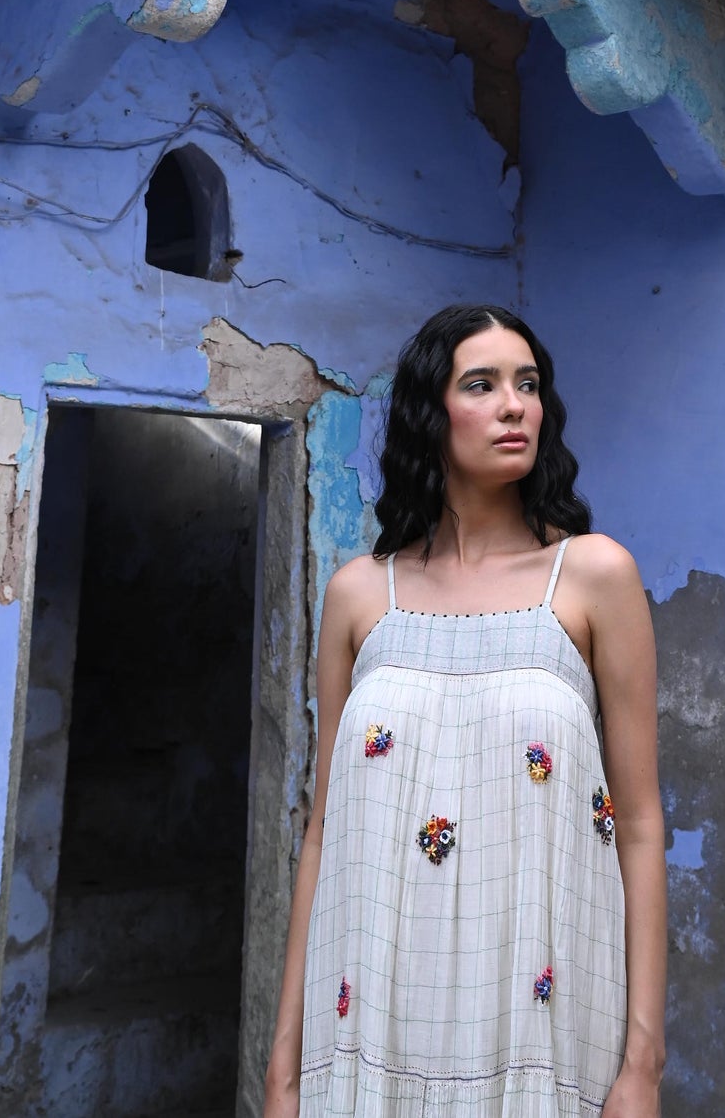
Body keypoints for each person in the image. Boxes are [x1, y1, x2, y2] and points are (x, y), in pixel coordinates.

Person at [263, 302, 666, 1118]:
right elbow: (322, 833)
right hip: (371, 1032)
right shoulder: (358, 594)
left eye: (528, 384)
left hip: (540, 1036)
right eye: (480, 385)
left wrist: (644, 1065)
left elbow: (642, 826)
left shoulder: (593, 577)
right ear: (428, 414)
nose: (514, 405)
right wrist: (283, 1066)